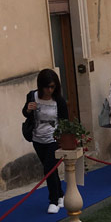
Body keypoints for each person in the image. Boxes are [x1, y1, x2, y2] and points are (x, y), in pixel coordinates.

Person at [23, 68, 68, 214]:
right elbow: (25, 112)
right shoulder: (32, 96)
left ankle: (53, 201)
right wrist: (28, 109)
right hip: (37, 138)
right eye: (47, 87)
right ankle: (61, 194)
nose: (49, 90)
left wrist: (63, 138)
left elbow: (64, 120)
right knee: (51, 170)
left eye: (52, 87)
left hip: (53, 139)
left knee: (48, 169)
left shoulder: (58, 100)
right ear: (40, 85)